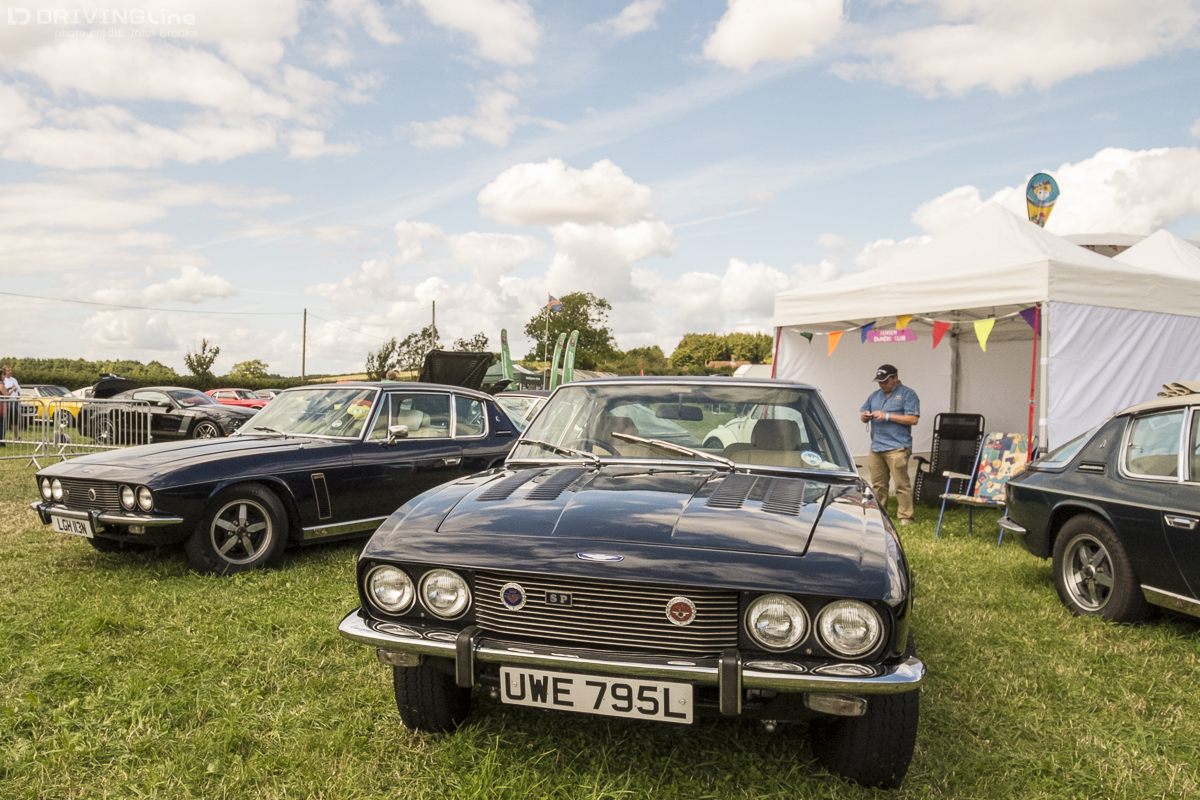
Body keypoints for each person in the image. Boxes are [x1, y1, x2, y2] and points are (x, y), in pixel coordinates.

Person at [860, 364, 920, 525]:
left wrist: (887, 416)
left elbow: (913, 419)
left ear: (895, 378)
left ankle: (906, 517)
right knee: (878, 485)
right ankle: (880, 516)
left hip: (897, 446)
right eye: (879, 382)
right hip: (877, 446)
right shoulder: (875, 396)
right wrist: (865, 416)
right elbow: (862, 414)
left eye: (885, 381)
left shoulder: (907, 394)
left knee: (901, 484)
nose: (882, 385)